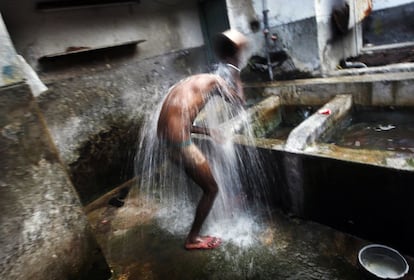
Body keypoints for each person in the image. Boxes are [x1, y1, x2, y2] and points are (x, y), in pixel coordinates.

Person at [156, 29, 248, 250]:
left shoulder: (192, 82)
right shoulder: (216, 81)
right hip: (181, 144)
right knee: (211, 188)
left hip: (168, 142)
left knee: (207, 173)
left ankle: (223, 204)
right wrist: (236, 72)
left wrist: (208, 132)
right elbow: (239, 102)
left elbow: (180, 121)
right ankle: (192, 239)